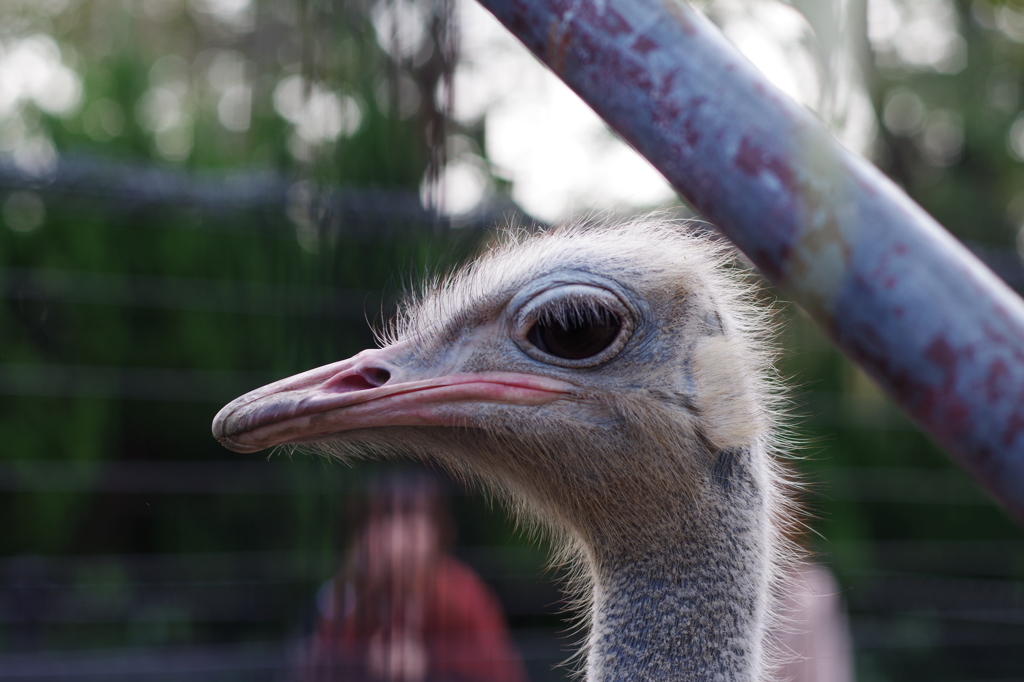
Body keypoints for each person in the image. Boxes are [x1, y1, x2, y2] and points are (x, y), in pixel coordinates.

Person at [299, 474, 529, 682]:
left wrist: (428, 662)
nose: (395, 536)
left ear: (438, 531)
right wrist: (363, 661)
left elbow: (502, 670)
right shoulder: (348, 598)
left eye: (410, 520)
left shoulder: (462, 592)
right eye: (383, 518)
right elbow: (314, 666)